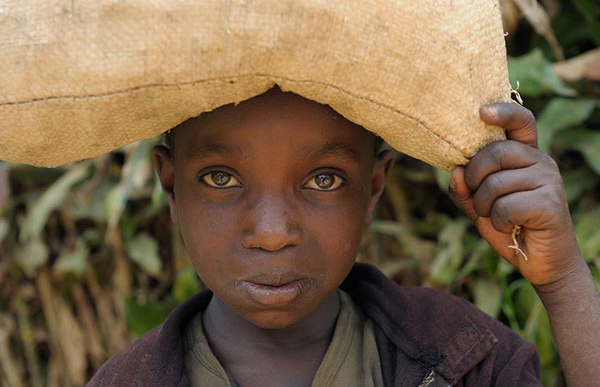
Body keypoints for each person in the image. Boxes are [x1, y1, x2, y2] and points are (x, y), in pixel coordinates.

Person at [86, 86, 600, 387]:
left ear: (373, 188)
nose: (271, 234)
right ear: (171, 187)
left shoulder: (466, 360)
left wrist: (562, 282)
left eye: (323, 179)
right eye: (221, 178)